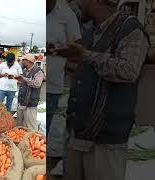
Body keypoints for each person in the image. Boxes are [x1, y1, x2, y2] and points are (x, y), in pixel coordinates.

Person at [54, 0, 149, 179]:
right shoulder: (91, 30)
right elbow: (92, 68)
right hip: (77, 130)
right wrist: (68, 59)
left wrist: (85, 55)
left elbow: (128, 71)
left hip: (105, 139)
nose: (78, 3)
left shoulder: (132, 31)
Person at [47, 0, 82, 134]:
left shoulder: (67, 15)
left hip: (53, 86)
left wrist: (56, 50)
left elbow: (77, 50)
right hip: (40, 84)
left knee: (48, 129)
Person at [15, 54, 44, 131]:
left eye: (23, 61)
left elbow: (37, 84)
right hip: (21, 101)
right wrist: (16, 79)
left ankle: (32, 140)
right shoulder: (24, 71)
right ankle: (21, 140)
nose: (22, 62)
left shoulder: (38, 71)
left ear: (28, 61)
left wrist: (24, 79)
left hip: (31, 102)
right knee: (20, 123)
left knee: (31, 125)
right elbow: (23, 82)